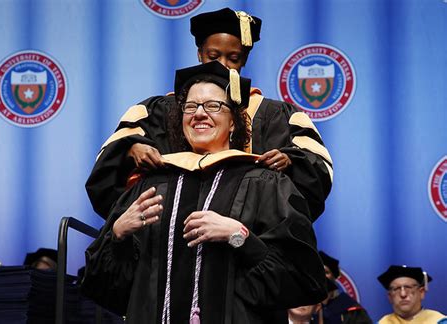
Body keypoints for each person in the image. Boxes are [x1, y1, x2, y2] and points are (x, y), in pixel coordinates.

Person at [80, 61, 327, 324]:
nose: (199, 113)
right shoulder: (152, 186)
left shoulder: (265, 183)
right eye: (190, 106)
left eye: (213, 106)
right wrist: (118, 236)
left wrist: (239, 237)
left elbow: (300, 280)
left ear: (234, 122)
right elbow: (105, 288)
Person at [85, 7, 333, 223]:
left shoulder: (275, 114)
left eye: (233, 58)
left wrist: (289, 160)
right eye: (213, 56)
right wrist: (132, 149)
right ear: (199, 54)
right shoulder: (158, 110)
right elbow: (108, 169)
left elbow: (316, 171)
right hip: (167, 234)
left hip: (246, 236)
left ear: (244, 59)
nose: (222, 65)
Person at [311, 251, 372, 324]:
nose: (322, 276)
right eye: (318, 271)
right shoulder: (305, 305)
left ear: (334, 277)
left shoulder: (348, 305)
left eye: (326, 272)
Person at [377, 265, 446, 324]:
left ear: (421, 292)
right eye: (396, 289)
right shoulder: (383, 322)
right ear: (390, 297)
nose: (403, 294)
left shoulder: (439, 321)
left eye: (408, 288)